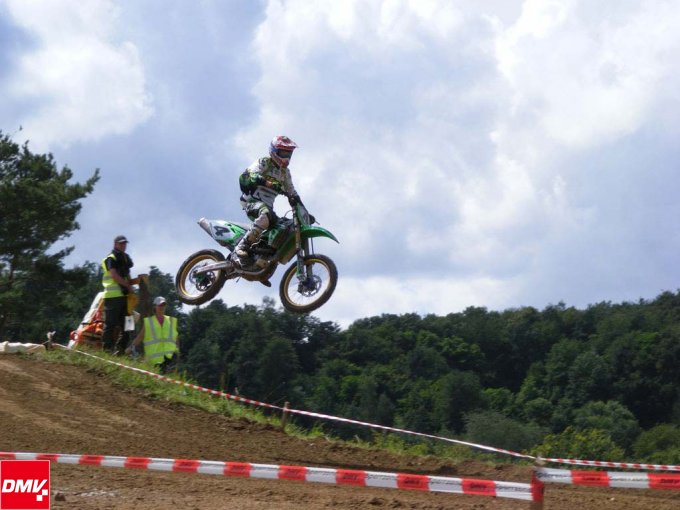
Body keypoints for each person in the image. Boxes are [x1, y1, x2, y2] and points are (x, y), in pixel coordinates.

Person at [234, 135, 305, 265]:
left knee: (286, 226)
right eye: (283, 152)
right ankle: (242, 246)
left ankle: (263, 252)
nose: (286, 156)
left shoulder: (285, 173)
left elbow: (292, 192)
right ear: (274, 151)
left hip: (267, 207)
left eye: (288, 153)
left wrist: (303, 211)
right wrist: (267, 183)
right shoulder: (264, 162)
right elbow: (248, 175)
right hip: (251, 202)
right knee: (266, 214)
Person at [101, 235, 135, 354]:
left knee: (129, 324)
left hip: (125, 296)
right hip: (113, 296)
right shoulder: (111, 258)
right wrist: (128, 286)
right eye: (121, 243)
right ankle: (106, 351)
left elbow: (127, 275)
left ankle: (120, 351)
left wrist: (131, 285)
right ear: (115, 244)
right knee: (110, 324)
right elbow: (114, 275)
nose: (123, 245)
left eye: (125, 243)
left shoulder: (125, 258)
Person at [130, 296, 179, 373]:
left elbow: (176, 339)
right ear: (154, 306)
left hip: (171, 359)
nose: (161, 307)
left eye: (163, 305)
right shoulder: (149, 322)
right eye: (159, 305)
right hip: (154, 361)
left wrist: (178, 353)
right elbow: (140, 337)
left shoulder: (172, 321)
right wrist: (130, 348)